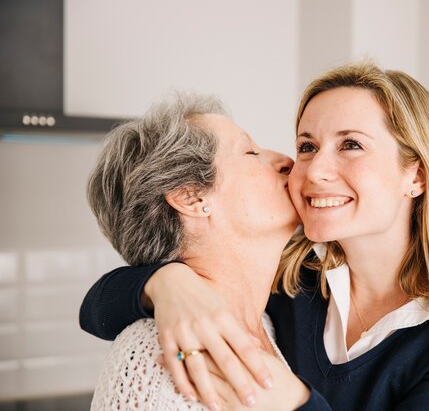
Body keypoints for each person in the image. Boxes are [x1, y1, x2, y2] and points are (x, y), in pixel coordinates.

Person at [80, 62, 429, 411]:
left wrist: (288, 398)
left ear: (416, 175)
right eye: (307, 146)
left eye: (351, 145)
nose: (311, 170)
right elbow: (98, 307)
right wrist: (165, 284)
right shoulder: (286, 275)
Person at [84, 92, 326, 411]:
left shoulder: (271, 321)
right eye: (250, 151)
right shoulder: (157, 355)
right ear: (192, 198)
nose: (287, 161)